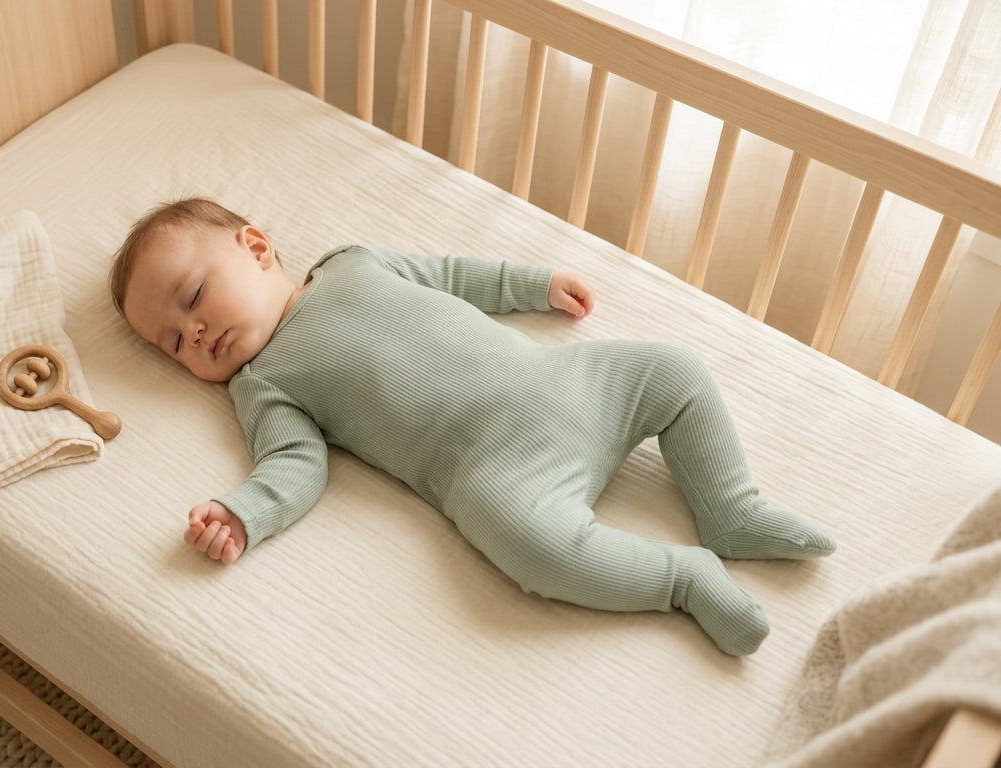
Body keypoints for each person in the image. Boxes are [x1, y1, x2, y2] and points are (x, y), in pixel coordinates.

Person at [109, 197, 836, 656]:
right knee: (536, 554)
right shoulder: (261, 385)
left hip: (560, 382)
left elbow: (451, 276)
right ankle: (682, 577)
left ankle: (729, 507)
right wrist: (243, 515)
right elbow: (295, 466)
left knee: (674, 370)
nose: (193, 330)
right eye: (172, 343)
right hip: (498, 473)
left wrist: (534, 285)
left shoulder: (350, 264)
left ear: (258, 247)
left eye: (193, 296)